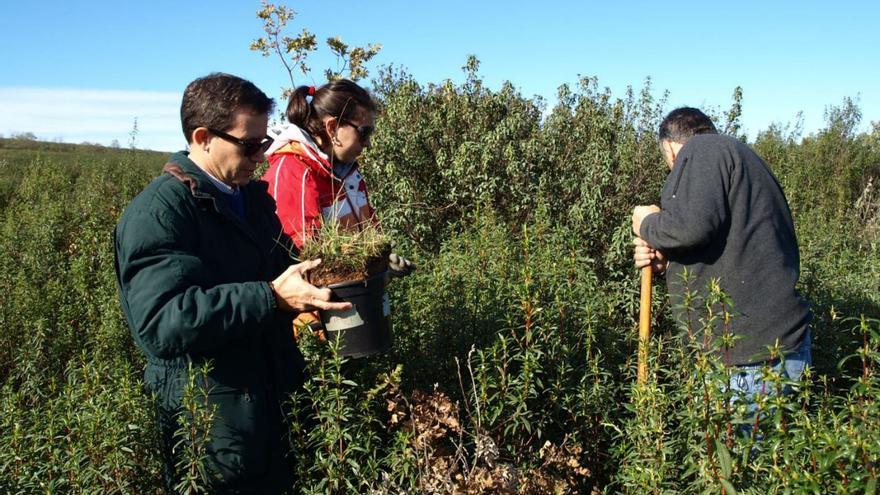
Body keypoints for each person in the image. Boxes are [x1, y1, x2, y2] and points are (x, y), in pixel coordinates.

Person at [114, 73, 351, 493]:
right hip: (212, 428)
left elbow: (283, 269)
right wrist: (271, 297)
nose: (262, 156)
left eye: (265, 142)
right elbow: (162, 321)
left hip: (272, 407)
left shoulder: (250, 197)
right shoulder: (159, 213)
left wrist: (348, 272)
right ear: (203, 137)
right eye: (250, 145)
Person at [631, 107, 812, 423]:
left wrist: (646, 222)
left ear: (673, 151)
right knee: (771, 467)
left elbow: (688, 227)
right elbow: (726, 245)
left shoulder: (704, 149)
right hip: (775, 352)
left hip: (751, 363)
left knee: (739, 468)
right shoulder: (741, 160)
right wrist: (667, 262)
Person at [261, 79, 413, 333]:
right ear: (332, 128)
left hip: (358, 314)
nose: (368, 143)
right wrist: (316, 339)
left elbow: (367, 233)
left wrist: (382, 263)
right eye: (364, 132)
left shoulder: (347, 172)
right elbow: (301, 265)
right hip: (322, 330)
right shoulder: (293, 173)